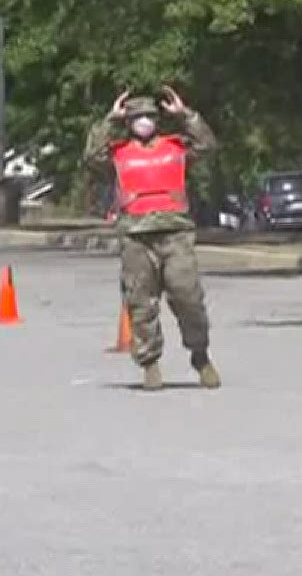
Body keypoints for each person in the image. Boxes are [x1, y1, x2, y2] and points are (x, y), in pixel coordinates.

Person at [83, 87, 221, 391]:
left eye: (149, 116)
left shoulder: (176, 147)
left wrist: (184, 115)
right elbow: (92, 156)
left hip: (175, 233)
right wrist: (110, 119)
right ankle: (149, 363)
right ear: (129, 122)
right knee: (140, 302)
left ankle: (200, 355)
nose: (143, 121)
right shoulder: (118, 154)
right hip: (136, 236)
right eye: (137, 117)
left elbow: (208, 146)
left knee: (188, 297)